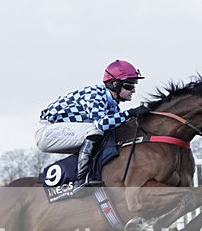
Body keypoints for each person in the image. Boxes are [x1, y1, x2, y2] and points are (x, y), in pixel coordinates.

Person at [36, 60, 151, 190]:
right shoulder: (95, 93)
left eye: (134, 85)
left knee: (110, 135)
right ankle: (81, 180)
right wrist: (131, 112)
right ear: (115, 84)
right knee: (95, 129)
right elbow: (102, 123)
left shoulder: (113, 107)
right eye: (129, 86)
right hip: (48, 133)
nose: (134, 90)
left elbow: (118, 125)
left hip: (64, 133)